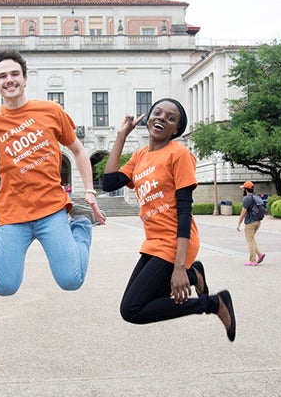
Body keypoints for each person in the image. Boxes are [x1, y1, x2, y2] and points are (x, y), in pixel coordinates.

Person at [0, 49, 105, 297]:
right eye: (2, 76)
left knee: (71, 280)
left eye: (14, 74)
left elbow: (78, 150)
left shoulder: (51, 110)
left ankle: (81, 224)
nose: (9, 80)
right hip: (13, 212)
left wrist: (89, 190)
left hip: (51, 209)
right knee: (4, 286)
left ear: (25, 78)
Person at [101, 98, 236, 342]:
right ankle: (195, 275)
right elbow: (109, 183)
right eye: (158, 113)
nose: (162, 118)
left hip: (175, 241)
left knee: (132, 309)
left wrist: (178, 266)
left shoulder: (179, 155)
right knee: (141, 301)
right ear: (149, 118)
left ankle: (214, 303)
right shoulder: (140, 156)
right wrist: (121, 136)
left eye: (171, 118)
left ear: (176, 129)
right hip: (154, 242)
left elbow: (185, 211)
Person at [236, 180, 265, 266]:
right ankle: (260, 254)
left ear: (245, 189)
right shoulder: (256, 197)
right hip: (258, 222)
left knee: (249, 241)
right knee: (252, 239)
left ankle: (252, 260)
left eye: (243, 189)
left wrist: (238, 224)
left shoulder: (246, 199)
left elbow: (243, 213)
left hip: (250, 223)